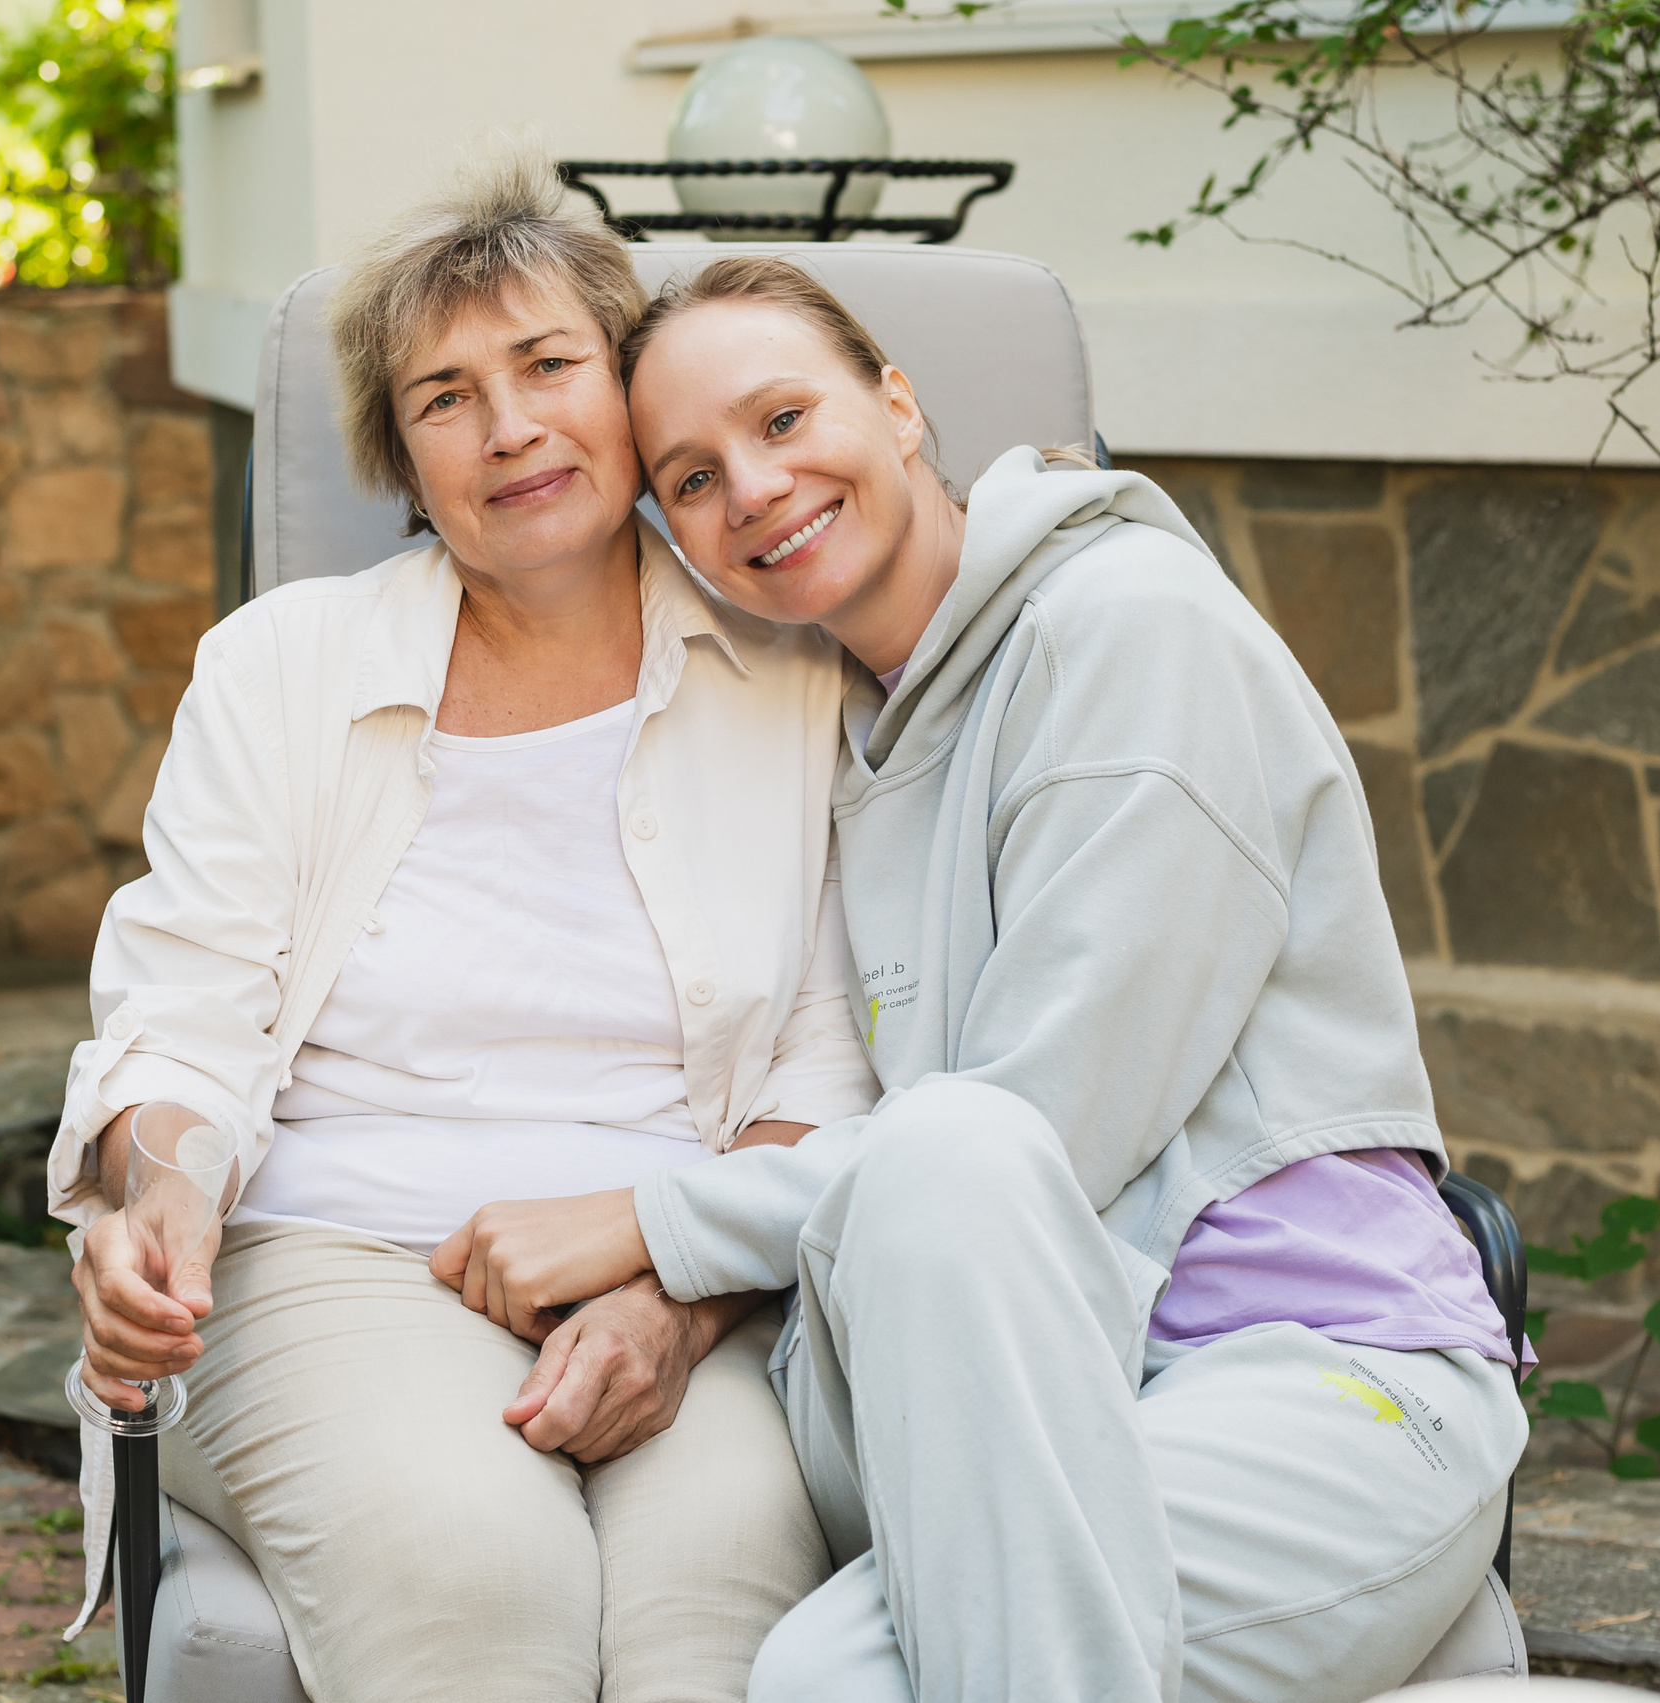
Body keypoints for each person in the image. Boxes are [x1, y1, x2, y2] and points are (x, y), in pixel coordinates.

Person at [433, 255, 1529, 1703]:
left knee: (835, 1676)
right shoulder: (838, 744)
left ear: (896, 407)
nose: (752, 489)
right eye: (691, 480)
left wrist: (652, 1224)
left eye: (782, 419)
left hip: (1313, 1367)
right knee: (823, 1670)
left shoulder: (1132, 628)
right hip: (1049, 1401)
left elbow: (1034, 1135)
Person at [47, 177, 878, 1703]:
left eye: (550, 367)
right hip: (336, 1258)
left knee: (723, 1609)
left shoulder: (795, 671)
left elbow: (836, 1050)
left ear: (628, 393)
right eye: (447, 395)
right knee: (477, 1584)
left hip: (687, 1264)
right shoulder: (282, 669)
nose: (509, 428)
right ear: (401, 458)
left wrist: (681, 1295)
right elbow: (184, 1011)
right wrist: (162, 1186)